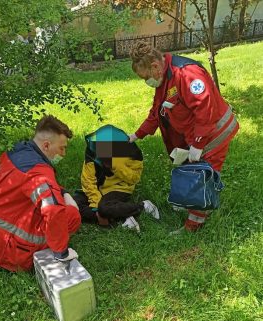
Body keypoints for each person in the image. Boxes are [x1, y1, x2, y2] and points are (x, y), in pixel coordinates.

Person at [129, 41, 239, 232]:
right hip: (197, 134)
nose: (146, 81)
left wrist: (198, 144)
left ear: (154, 66)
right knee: (191, 169)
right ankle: (190, 203)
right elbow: (157, 111)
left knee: (200, 176)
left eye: (145, 77)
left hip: (215, 133)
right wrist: (137, 135)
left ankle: (193, 225)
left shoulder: (187, 74)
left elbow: (205, 109)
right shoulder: (165, 77)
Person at [0, 115, 81, 272]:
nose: (63, 154)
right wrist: (61, 252)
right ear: (46, 145)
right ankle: (50, 254)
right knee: (71, 214)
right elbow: (53, 211)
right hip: (6, 248)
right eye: (61, 148)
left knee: (59, 200)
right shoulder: (38, 172)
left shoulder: (17, 150)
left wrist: (62, 191)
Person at [74, 124, 160, 233]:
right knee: (73, 203)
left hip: (119, 188)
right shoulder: (92, 149)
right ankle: (119, 217)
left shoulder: (132, 153)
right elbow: (88, 180)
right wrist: (96, 206)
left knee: (105, 208)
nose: (101, 151)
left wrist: (114, 165)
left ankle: (143, 206)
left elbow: (134, 179)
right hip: (98, 188)